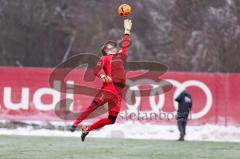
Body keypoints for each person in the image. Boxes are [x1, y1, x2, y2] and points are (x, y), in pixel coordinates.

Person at [69, 19, 133, 142]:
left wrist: (127, 31)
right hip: (109, 88)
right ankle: (75, 124)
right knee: (92, 107)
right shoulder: (104, 58)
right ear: (106, 51)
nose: (113, 48)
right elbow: (95, 71)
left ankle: (87, 129)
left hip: (118, 93)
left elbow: (125, 44)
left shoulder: (120, 56)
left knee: (111, 120)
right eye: (109, 48)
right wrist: (102, 76)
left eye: (113, 47)